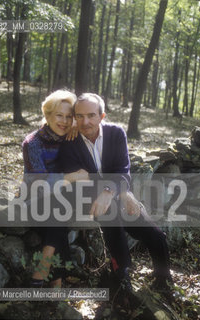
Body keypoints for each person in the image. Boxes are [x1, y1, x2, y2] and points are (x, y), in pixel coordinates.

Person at [56, 93, 173, 295]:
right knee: (111, 218)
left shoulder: (116, 134)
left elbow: (123, 169)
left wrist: (118, 192)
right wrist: (116, 190)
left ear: (102, 116)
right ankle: (122, 277)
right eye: (80, 116)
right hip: (86, 198)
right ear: (75, 117)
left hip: (117, 193)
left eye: (91, 115)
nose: (85, 121)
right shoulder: (68, 142)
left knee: (155, 235)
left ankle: (164, 280)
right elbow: (81, 180)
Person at [22, 89, 89, 288]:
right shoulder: (32, 143)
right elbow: (40, 183)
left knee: (59, 202)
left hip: (63, 197)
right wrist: (73, 176)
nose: (64, 121)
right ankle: (55, 278)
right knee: (56, 205)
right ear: (47, 115)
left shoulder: (72, 137)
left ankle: (46, 273)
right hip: (35, 196)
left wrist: (77, 125)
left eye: (69, 117)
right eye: (59, 115)